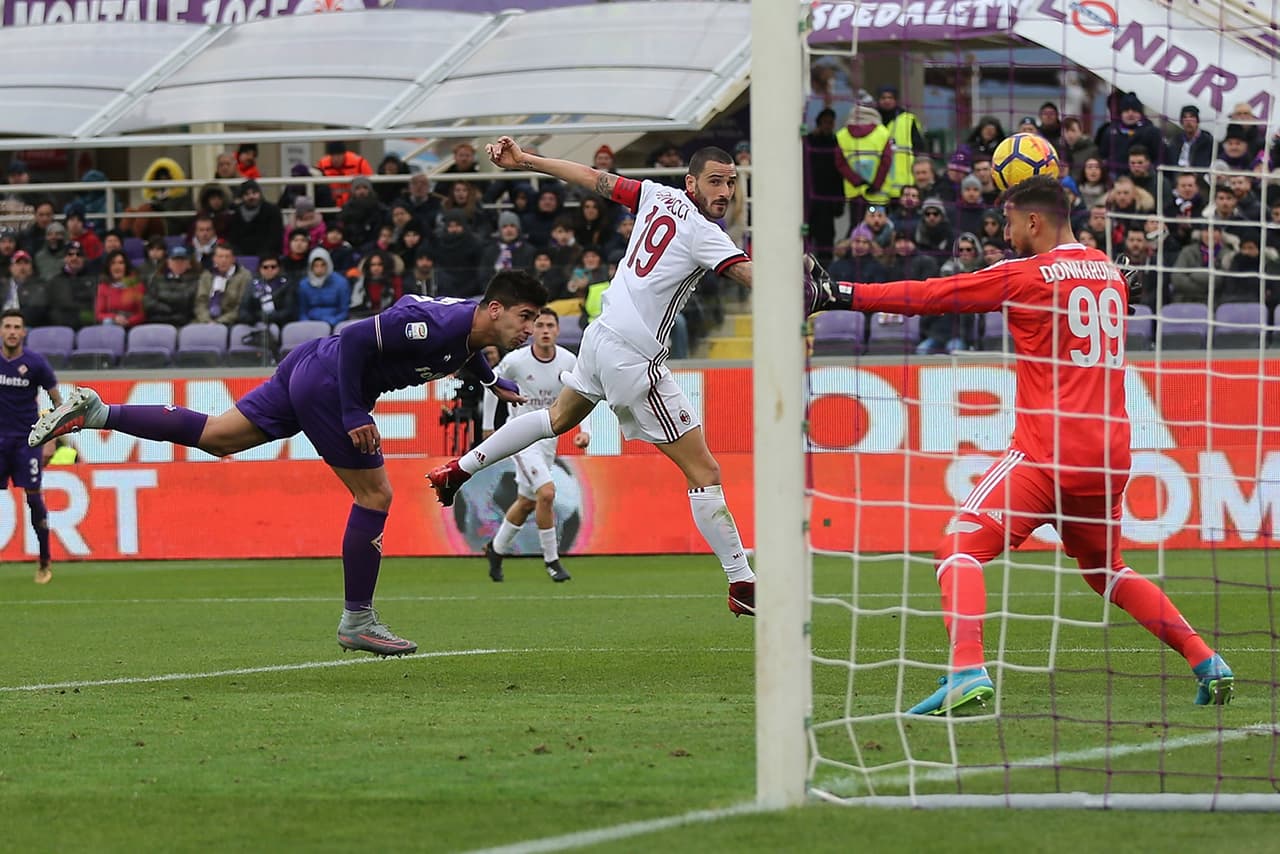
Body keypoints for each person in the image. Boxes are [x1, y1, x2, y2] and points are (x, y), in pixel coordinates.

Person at [803, 175, 1234, 713]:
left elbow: (936, 296)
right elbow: (1111, 290)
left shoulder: (1025, 275)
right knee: (1108, 571)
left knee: (957, 548)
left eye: (1008, 222)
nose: (1005, 234)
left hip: (1046, 453)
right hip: (1111, 460)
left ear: (1033, 221)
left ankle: (966, 669)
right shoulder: (1109, 271)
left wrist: (839, 293)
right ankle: (1206, 659)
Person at [29, 271, 547, 655]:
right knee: (375, 496)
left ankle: (101, 412)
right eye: (525, 317)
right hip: (330, 380)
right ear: (495, 308)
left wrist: (489, 381)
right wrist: (349, 410)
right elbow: (359, 338)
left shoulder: (471, 331)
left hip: (307, 366)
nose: (531, 328)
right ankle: (357, 621)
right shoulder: (434, 324)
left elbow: (467, 349)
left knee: (217, 437)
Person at [428, 137, 758, 617]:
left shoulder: (654, 195)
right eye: (714, 181)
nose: (724, 191)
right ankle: (742, 584)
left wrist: (527, 161)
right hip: (633, 356)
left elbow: (590, 178)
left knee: (555, 418)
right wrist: (813, 288)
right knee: (704, 471)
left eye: (730, 183)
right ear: (691, 183)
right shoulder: (706, 235)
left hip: (600, 337)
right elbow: (754, 277)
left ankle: (459, 468)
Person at [479, 308, 588, 583]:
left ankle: (496, 549)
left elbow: (585, 393)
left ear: (558, 330)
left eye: (550, 325)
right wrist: (488, 427)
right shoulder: (516, 360)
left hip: (549, 438)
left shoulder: (568, 359)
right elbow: (490, 383)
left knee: (528, 502)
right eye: (539, 325)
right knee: (547, 493)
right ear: (532, 330)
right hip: (522, 437)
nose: (545, 330)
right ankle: (552, 560)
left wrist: (584, 430)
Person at [0, 310, 62, 583]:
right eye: (8, 326)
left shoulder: (36, 363)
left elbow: (59, 405)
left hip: (27, 442)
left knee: (34, 498)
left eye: (17, 327)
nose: (12, 331)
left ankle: (44, 560)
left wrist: (52, 440)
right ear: (1, 331)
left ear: (23, 332)